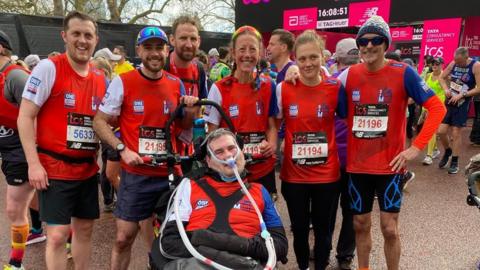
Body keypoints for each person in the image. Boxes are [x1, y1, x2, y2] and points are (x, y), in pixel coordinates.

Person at [337, 16, 446, 270]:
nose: (368, 45)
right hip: (357, 167)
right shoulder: (349, 75)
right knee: (360, 225)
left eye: (376, 40)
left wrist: (415, 148)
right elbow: (326, 93)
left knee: (390, 229)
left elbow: (437, 108)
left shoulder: (403, 72)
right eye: (363, 41)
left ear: (385, 43)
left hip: (390, 167)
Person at [93, 26, 199, 270]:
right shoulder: (124, 81)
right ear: (139, 50)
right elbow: (99, 121)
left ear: (167, 50)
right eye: (148, 47)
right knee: (123, 238)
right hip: (137, 176)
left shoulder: (176, 84)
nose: (154, 53)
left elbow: (183, 126)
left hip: (170, 174)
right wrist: (122, 149)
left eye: (159, 47)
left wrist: (191, 112)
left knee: (177, 238)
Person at [17, 11, 107, 270]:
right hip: (54, 169)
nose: (82, 40)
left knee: (85, 229)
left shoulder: (101, 78)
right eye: (76, 34)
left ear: (96, 40)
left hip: (87, 170)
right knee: (57, 235)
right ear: (64, 36)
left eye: (88, 35)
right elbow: (25, 116)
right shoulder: (49, 68)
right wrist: (33, 164)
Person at [157, 128, 288, 269]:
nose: (228, 155)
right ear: (208, 161)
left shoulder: (259, 191)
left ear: (241, 152)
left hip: (249, 262)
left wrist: (204, 238)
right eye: (219, 152)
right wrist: (228, 258)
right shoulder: (189, 187)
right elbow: (170, 242)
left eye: (231, 148)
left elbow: (280, 246)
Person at [276, 30, 347, 270]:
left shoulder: (335, 87)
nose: (308, 63)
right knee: (298, 228)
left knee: (324, 228)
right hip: (294, 176)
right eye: (302, 59)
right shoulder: (283, 88)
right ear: (295, 59)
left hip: (326, 176)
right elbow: (273, 124)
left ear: (323, 57)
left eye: (313, 57)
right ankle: (304, 266)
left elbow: (349, 119)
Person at [204, 25, 278, 197]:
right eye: (242, 49)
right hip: (231, 169)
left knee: (263, 220)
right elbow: (211, 133)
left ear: (259, 53)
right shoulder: (219, 88)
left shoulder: (268, 85)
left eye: (252, 49)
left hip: (262, 167)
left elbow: (272, 125)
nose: (247, 55)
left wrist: (272, 144)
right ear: (233, 52)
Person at [0, 30, 38, 270]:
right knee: (35, 202)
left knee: (14, 208)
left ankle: (16, 264)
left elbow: (38, 113)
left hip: (21, 152)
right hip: (8, 151)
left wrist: (34, 158)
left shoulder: (15, 77)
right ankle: (65, 236)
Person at [331, 37, 359, 270]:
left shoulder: (330, 81)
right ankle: (344, 255)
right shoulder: (331, 82)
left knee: (327, 210)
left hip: (336, 158)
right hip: (353, 158)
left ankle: (327, 250)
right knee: (350, 210)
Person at [166, 15, 209, 157]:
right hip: (163, 145)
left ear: (199, 41)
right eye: (183, 38)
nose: (189, 44)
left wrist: (194, 112)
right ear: (172, 40)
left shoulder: (199, 69)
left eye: (193, 39)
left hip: (188, 145)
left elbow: (202, 107)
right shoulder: (162, 66)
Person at [438, 47, 480, 174]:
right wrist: (446, 89)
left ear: (466, 58)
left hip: (462, 102)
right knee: (441, 131)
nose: (456, 63)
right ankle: (448, 151)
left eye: (459, 61)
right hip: (450, 100)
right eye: (455, 60)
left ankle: (454, 161)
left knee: (456, 132)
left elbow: (479, 88)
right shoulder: (453, 63)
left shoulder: (475, 66)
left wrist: (462, 95)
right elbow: (441, 78)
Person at [421, 57, 446, 165]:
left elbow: (448, 92)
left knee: (432, 130)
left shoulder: (445, 76)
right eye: (433, 64)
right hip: (429, 106)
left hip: (440, 108)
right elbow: (425, 92)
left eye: (437, 64)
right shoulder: (428, 76)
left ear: (442, 65)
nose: (434, 66)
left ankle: (429, 155)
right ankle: (435, 150)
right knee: (430, 129)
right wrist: (423, 108)